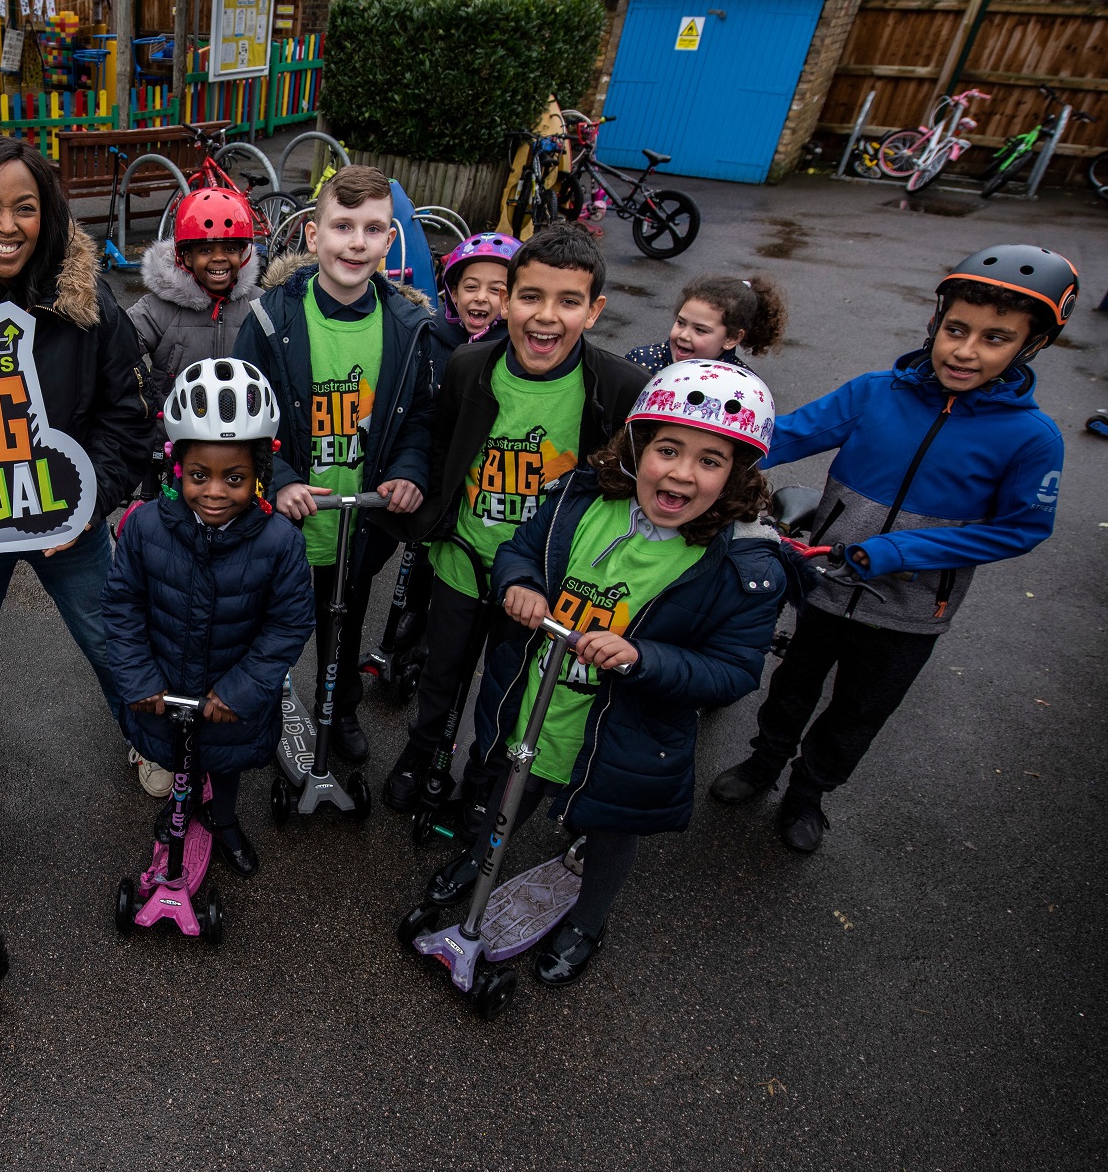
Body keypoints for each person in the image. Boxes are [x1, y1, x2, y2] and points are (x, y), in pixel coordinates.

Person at [419, 361, 786, 984]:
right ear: (637, 446)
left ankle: (588, 919)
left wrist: (644, 657)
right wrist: (521, 585)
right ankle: (479, 862)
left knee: (610, 830)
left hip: (625, 735)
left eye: (710, 461)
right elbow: (518, 551)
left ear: (736, 475)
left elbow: (731, 671)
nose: (680, 473)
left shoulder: (743, 566)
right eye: (667, 450)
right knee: (510, 791)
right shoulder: (579, 500)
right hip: (538, 702)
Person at [711, 244, 1076, 853]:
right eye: (956, 329)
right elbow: (784, 434)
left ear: (1029, 345)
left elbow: (1022, 527)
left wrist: (900, 552)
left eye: (994, 338)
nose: (965, 350)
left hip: (911, 612)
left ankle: (809, 794)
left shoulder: (1031, 437)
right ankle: (763, 764)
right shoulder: (876, 392)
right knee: (794, 684)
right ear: (935, 322)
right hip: (824, 584)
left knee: (859, 709)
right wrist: (704, 460)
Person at [0, 134, 156, 791]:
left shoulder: (88, 303)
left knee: (108, 638)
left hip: (66, 513)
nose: (7, 226)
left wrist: (86, 505)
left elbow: (127, 416)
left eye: (25, 207)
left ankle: (145, 735)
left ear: (50, 214)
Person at [383, 224, 649, 813]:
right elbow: (441, 447)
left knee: (511, 692)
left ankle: (485, 778)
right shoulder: (469, 366)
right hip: (462, 560)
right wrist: (430, 519)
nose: (545, 316)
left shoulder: (616, 387)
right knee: (440, 675)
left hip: (537, 586)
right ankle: (422, 754)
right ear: (506, 300)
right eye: (529, 296)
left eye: (568, 301)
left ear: (595, 310)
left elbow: (621, 490)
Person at [231, 164, 435, 768]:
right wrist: (281, 476)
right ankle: (259, 712)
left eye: (373, 229)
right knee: (269, 628)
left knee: (342, 630)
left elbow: (420, 418)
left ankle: (338, 710)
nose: (356, 242)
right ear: (313, 236)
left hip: (359, 525)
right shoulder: (273, 319)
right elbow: (245, 419)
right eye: (342, 226)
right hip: (286, 526)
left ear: (390, 241)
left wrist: (409, 471)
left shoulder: (407, 326)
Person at [104, 358, 316, 865]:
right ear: (178, 468)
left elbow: (287, 624)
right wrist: (138, 678)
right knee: (179, 758)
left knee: (224, 760)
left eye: (234, 478)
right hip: (165, 682)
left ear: (259, 474)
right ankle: (180, 807)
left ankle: (222, 816)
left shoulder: (280, 542)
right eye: (200, 475)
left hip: (231, 688)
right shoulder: (143, 527)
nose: (215, 492)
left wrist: (241, 689)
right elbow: (122, 606)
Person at [127, 187, 263, 405]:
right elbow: (115, 349)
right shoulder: (156, 310)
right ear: (187, 258)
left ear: (242, 254)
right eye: (206, 251)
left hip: (245, 433)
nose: (219, 258)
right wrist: (143, 401)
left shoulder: (260, 307)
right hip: (172, 433)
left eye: (229, 249)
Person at [626, 273, 786, 373]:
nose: (684, 335)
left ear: (732, 338)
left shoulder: (741, 387)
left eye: (700, 330)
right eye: (681, 323)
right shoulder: (641, 363)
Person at [436, 232, 521, 348]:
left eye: (495, 289)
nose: (481, 298)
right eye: (471, 287)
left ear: (509, 299)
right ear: (454, 293)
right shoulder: (429, 336)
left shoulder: (517, 350)